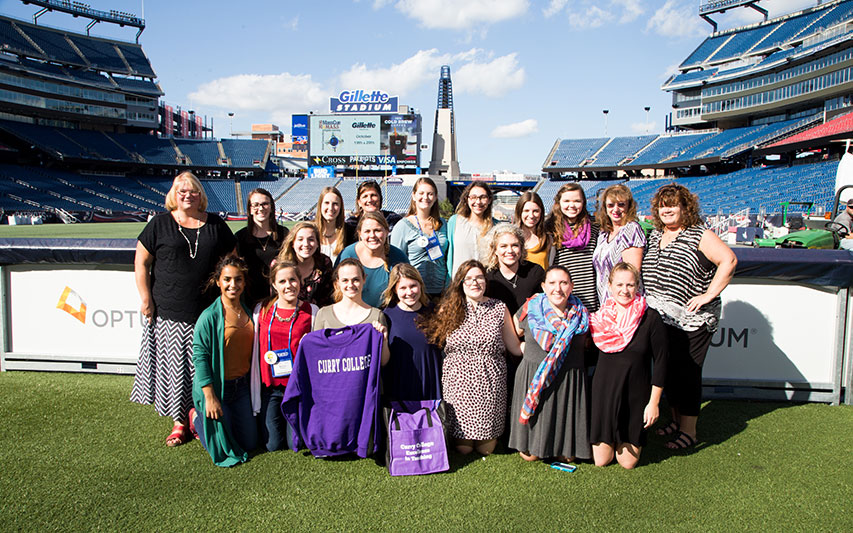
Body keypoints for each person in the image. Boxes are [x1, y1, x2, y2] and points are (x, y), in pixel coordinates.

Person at [131, 171, 236, 447]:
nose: (188, 195)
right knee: (177, 370)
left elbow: (233, 263)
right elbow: (141, 262)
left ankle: (199, 417)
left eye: (193, 191)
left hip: (209, 312)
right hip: (169, 310)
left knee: (206, 368)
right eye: (182, 191)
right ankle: (180, 422)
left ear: (201, 195)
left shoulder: (215, 224)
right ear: (173, 196)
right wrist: (145, 298)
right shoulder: (160, 224)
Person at [642, 183, 737, 449]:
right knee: (670, 373)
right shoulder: (656, 235)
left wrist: (707, 295)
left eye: (673, 204)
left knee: (687, 374)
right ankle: (675, 420)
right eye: (663, 205)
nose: (667, 210)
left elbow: (728, 261)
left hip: (692, 321)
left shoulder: (699, 234)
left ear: (686, 207)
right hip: (662, 320)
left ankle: (689, 431)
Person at [421, 260, 523, 456]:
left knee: (486, 449)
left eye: (479, 277)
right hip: (458, 384)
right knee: (463, 448)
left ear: (485, 281)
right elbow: (432, 340)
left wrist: (541, 347)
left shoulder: (499, 308)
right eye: (468, 279)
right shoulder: (448, 309)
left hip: (490, 383)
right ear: (460, 283)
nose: (474, 282)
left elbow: (515, 347)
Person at [508, 265, 590, 463]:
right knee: (530, 456)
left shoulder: (582, 314)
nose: (558, 288)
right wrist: (520, 347)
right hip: (534, 376)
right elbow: (514, 329)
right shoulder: (531, 308)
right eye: (552, 283)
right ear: (544, 286)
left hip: (568, 380)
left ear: (571, 286)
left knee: (567, 457)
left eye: (563, 283)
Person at [589, 263, 667, 469]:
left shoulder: (650, 318)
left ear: (638, 286)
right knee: (602, 461)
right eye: (620, 284)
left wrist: (654, 403)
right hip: (604, 392)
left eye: (630, 285)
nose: (625, 290)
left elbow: (661, 362)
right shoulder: (599, 318)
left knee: (627, 463)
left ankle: (626, 437)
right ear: (610, 285)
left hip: (634, 395)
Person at [188, 256, 258, 467]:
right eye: (227, 279)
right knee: (224, 450)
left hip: (242, 388)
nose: (232, 285)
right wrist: (209, 396)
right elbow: (199, 358)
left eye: (238, 279)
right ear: (218, 281)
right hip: (217, 390)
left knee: (249, 443)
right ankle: (196, 418)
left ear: (244, 283)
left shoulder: (248, 311)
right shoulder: (209, 317)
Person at [251, 261, 318, 452]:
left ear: (300, 281)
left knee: (295, 443)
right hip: (270, 388)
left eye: (292, 280)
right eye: (282, 281)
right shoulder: (261, 310)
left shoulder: (311, 312)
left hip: (297, 389)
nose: (288, 285)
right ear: (274, 285)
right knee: (272, 446)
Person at [381, 264, 442, 401]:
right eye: (403, 288)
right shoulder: (387, 316)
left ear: (420, 285)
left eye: (413, 286)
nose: (409, 292)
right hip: (400, 390)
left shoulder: (434, 311)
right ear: (395, 290)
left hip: (431, 387)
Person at [313, 258, 390, 365]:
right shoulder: (323, 314)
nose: (350, 285)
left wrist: (384, 340)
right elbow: (316, 355)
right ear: (337, 283)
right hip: (334, 381)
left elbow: (382, 362)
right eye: (345, 280)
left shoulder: (376, 316)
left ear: (364, 279)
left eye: (356, 280)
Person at [390, 177, 448, 298]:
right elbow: (396, 262)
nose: (425, 197)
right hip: (414, 293)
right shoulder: (403, 226)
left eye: (430, 194)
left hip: (441, 291)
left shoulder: (443, 224)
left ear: (436, 197)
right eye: (421, 193)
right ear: (414, 195)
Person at [337, 211, 408, 308]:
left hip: (386, 314)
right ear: (360, 234)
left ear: (387, 231)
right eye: (367, 231)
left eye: (377, 230)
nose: (372, 235)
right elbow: (336, 289)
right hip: (351, 312)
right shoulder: (347, 254)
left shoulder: (398, 257)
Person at [548, 183, 600, 313]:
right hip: (562, 295)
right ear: (558, 202)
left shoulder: (595, 226)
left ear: (583, 203)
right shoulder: (550, 228)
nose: (571, 205)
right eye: (566, 201)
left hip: (590, 295)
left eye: (577, 201)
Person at [592, 184, 645, 305]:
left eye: (621, 205)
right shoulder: (604, 233)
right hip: (606, 302)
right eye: (611, 205)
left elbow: (632, 275)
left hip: (624, 303)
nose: (615, 210)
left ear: (629, 207)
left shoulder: (631, 230)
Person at [236, 188, 289, 307]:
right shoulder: (240, 237)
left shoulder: (284, 234)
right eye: (255, 205)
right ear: (250, 209)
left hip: (278, 298)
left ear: (271, 207)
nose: (260, 208)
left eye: (265, 204)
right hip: (248, 299)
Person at [483, 223, 545, 316]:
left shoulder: (535, 272)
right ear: (495, 249)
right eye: (503, 246)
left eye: (515, 245)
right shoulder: (486, 275)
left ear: (521, 247)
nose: (510, 251)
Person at [446, 182, 497, 280]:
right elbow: (449, 255)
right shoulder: (455, 221)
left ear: (489, 200)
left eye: (483, 197)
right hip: (459, 283)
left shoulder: (496, 226)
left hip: (486, 285)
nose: (478, 202)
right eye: (473, 197)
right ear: (467, 199)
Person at [276, 222, 334, 308]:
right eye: (300, 239)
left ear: (317, 243)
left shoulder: (324, 263)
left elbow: (328, 298)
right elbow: (275, 297)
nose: (306, 244)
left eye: (311, 239)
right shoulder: (279, 265)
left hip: (317, 315)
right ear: (292, 243)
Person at [344, 180, 402, 245]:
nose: (370, 200)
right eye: (365, 196)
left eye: (373, 195)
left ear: (380, 199)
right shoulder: (351, 224)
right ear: (359, 202)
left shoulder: (394, 220)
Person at [514, 191, 552, 270]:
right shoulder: (511, 238)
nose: (531, 215)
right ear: (519, 212)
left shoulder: (547, 239)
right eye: (526, 211)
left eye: (535, 211)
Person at [316, 186, 346, 263]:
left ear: (340, 207)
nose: (330, 208)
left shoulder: (348, 233)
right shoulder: (311, 231)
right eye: (327, 203)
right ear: (320, 205)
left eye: (335, 204)